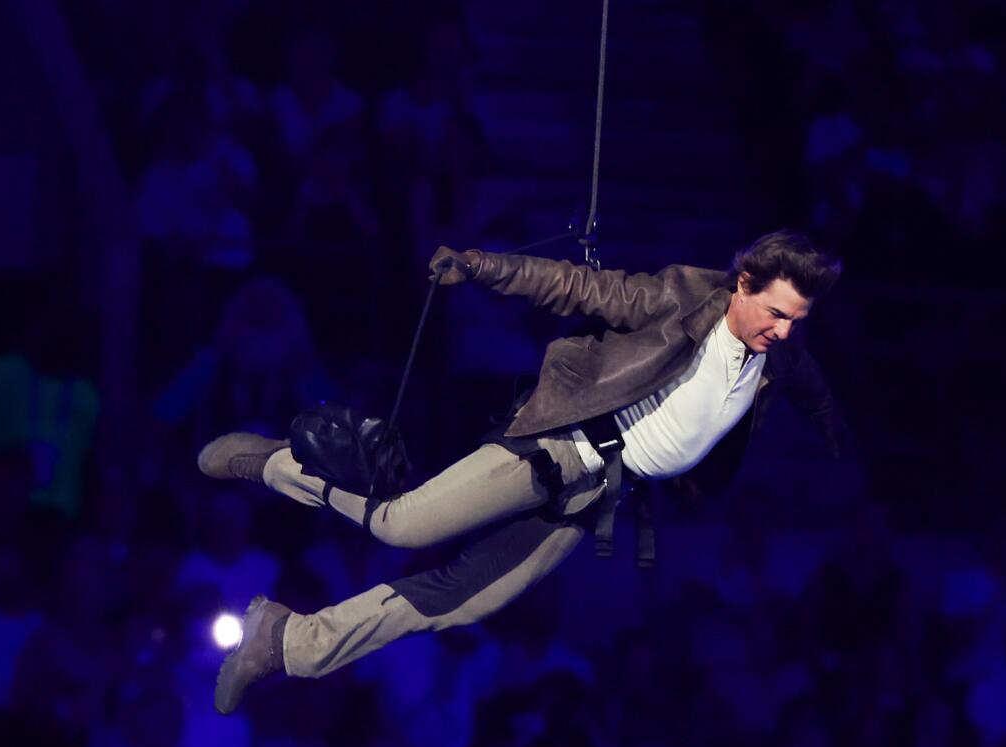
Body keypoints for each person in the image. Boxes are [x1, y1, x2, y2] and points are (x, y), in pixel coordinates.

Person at [198, 231, 843, 714]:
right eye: (776, 314)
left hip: (594, 495)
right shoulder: (678, 301)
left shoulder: (779, 355)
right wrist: (481, 266)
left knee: (463, 601)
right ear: (744, 284)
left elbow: (806, 377)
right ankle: (274, 462)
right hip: (560, 448)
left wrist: (831, 424)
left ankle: (288, 641)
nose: (784, 332)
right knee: (402, 526)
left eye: (797, 321)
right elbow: (576, 285)